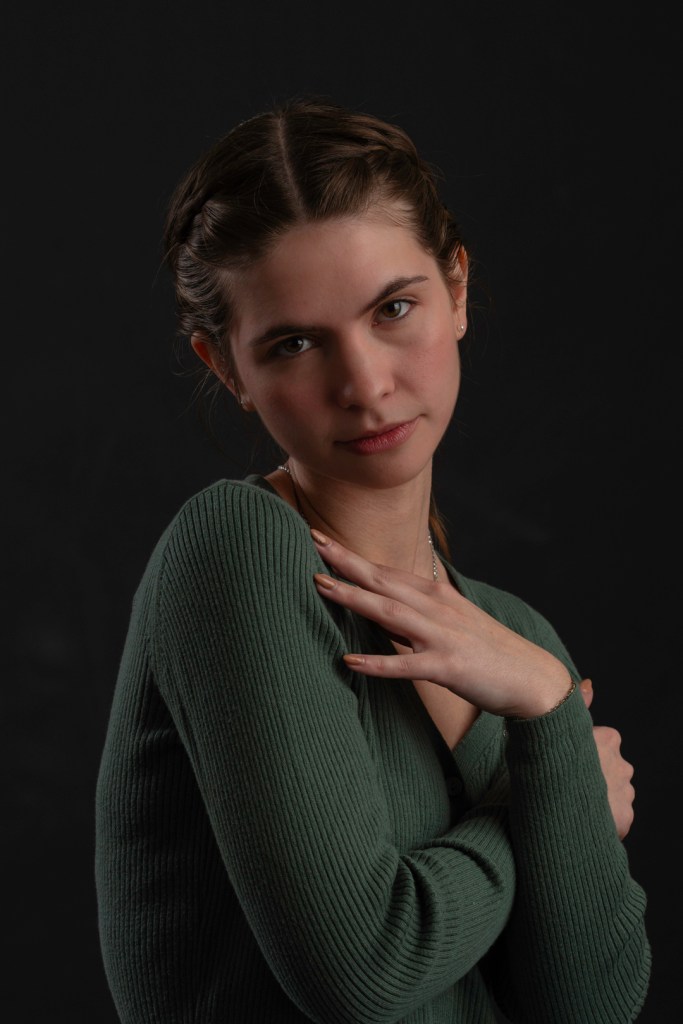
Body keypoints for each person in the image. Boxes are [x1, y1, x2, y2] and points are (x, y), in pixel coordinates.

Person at [95, 97, 651, 1023]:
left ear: (458, 290)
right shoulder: (236, 550)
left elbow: (590, 1006)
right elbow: (362, 969)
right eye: (295, 343)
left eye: (394, 308)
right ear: (227, 368)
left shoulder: (514, 645)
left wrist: (548, 711)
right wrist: (551, 796)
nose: (365, 383)